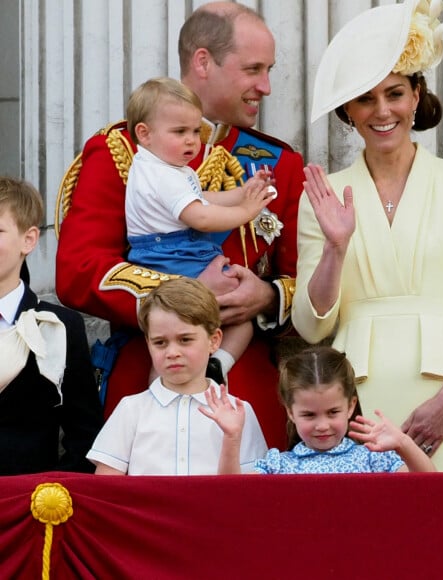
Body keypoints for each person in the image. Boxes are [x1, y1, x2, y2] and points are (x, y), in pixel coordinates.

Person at [55, 2, 304, 450]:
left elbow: (302, 279)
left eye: (269, 70)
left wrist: (267, 296)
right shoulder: (122, 152)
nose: (266, 87)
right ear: (203, 62)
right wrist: (182, 299)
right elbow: (79, 270)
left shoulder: (278, 164)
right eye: (253, 69)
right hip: (148, 382)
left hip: (246, 389)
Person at [292, 0, 443, 471]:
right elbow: (312, 328)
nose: (382, 111)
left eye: (394, 94)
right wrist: (336, 247)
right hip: (353, 404)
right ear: (348, 110)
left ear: (416, 95)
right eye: (365, 99)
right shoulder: (323, 195)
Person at [125, 76, 275, 381]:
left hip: (178, 250)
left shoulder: (165, 167)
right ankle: (183, 381)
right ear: (145, 133)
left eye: (196, 131)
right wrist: (246, 210)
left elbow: (204, 198)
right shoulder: (161, 174)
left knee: (194, 327)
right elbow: (202, 217)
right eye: (180, 132)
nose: (193, 140)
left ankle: (214, 367)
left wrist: (244, 191)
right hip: (172, 254)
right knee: (184, 325)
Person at [87, 277, 267, 475]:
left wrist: (232, 438)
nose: (172, 352)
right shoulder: (131, 410)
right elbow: (108, 486)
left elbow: (252, 490)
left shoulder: (239, 411)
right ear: (148, 343)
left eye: (185, 339)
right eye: (160, 342)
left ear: (214, 340)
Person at [0, 176, 103, 475]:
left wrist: (53, 494)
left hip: (31, 505)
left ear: (29, 240)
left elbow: (84, 431)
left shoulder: (62, 326)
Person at [203, 346, 436, 474]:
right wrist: (232, 438)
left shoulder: (373, 460)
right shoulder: (279, 466)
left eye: (333, 412)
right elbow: (232, 493)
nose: (322, 425)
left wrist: (404, 444)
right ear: (290, 412)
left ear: (350, 406)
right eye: (309, 415)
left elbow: (430, 487)